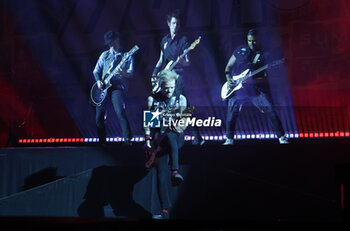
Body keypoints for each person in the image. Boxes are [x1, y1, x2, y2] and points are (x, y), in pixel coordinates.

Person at [223, 29, 289, 145]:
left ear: (258, 39)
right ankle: (229, 139)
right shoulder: (240, 50)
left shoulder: (265, 54)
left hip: (254, 89)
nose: (251, 43)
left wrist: (254, 80)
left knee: (270, 109)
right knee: (231, 113)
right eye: (249, 41)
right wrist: (229, 80)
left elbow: (267, 78)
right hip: (237, 88)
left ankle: (282, 137)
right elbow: (228, 67)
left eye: (254, 41)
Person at [151, 10, 204, 146]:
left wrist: (181, 61)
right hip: (165, 77)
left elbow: (188, 61)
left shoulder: (184, 40)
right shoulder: (165, 40)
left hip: (178, 76)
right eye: (173, 23)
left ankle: (197, 136)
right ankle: (156, 137)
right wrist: (155, 72)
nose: (176, 26)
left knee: (183, 105)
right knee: (158, 105)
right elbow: (161, 59)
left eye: (178, 24)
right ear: (168, 24)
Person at [144, 69, 187, 219]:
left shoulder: (180, 99)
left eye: (171, 87)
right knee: (160, 176)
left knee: (170, 135)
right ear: (160, 86)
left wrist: (176, 120)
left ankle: (175, 171)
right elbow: (149, 124)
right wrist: (148, 140)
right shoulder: (153, 99)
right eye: (166, 87)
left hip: (176, 137)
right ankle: (164, 211)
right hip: (160, 142)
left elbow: (183, 124)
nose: (169, 90)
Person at [93, 30, 133, 146]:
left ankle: (128, 139)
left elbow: (130, 74)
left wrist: (122, 72)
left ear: (117, 40)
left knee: (120, 111)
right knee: (99, 116)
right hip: (103, 88)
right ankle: (102, 142)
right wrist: (98, 81)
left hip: (117, 87)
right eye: (108, 42)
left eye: (111, 41)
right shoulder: (104, 55)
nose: (109, 44)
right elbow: (96, 71)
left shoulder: (126, 55)